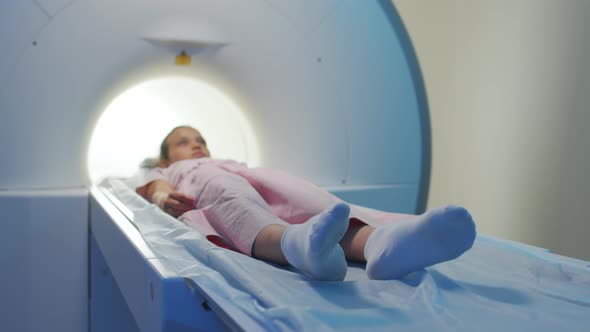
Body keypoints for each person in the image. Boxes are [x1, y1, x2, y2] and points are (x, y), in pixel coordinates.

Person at [136, 126, 476, 281]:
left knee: (308, 199)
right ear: (166, 158)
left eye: (201, 141)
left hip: (246, 174)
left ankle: (379, 245)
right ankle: (295, 246)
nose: (197, 146)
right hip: (208, 185)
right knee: (232, 198)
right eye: (184, 142)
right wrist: (163, 196)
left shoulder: (228, 161)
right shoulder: (175, 170)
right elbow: (156, 188)